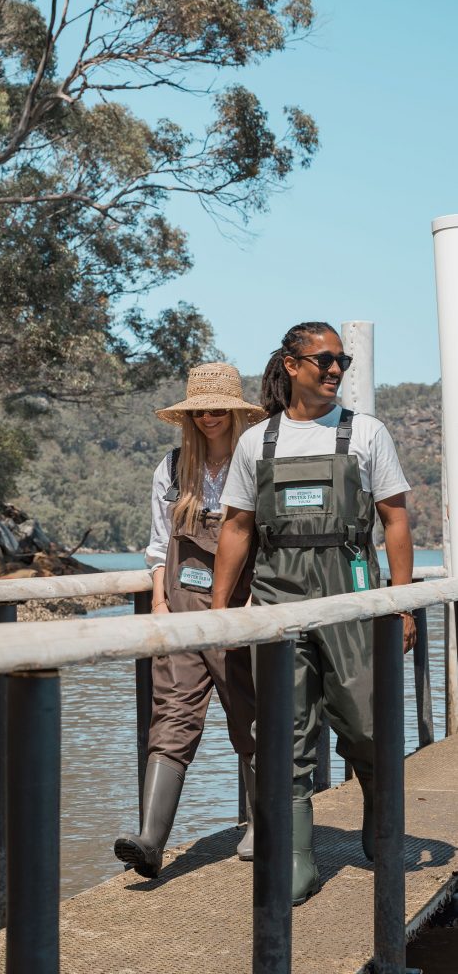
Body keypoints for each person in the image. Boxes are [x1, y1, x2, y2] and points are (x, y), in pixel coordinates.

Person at [211, 321, 415, 906]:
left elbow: (396, 521)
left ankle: (378, 801)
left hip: (351, 593)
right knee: (282, 731)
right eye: (323, 360)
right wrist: (222, 611)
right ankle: (297, 858)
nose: (334, 370)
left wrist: (399, 603)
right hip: (278, 598)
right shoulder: (258, 442)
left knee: (366, 721)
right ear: (291, 365)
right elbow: (237, 526)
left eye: (342, 361)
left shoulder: (367, 434)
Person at [113, 362, 265, 879]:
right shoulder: (174, 467)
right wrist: (159, 602)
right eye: (200, 409)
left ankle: (261, 825)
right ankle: (150, 840)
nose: (208, 417)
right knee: (173, 712)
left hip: (241, 608)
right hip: (180, 608)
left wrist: (253, 606)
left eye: (219, 408)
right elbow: (160, 545)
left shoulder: (255, 464)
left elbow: (265, 544)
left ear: (236, 412)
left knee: (249, 711)